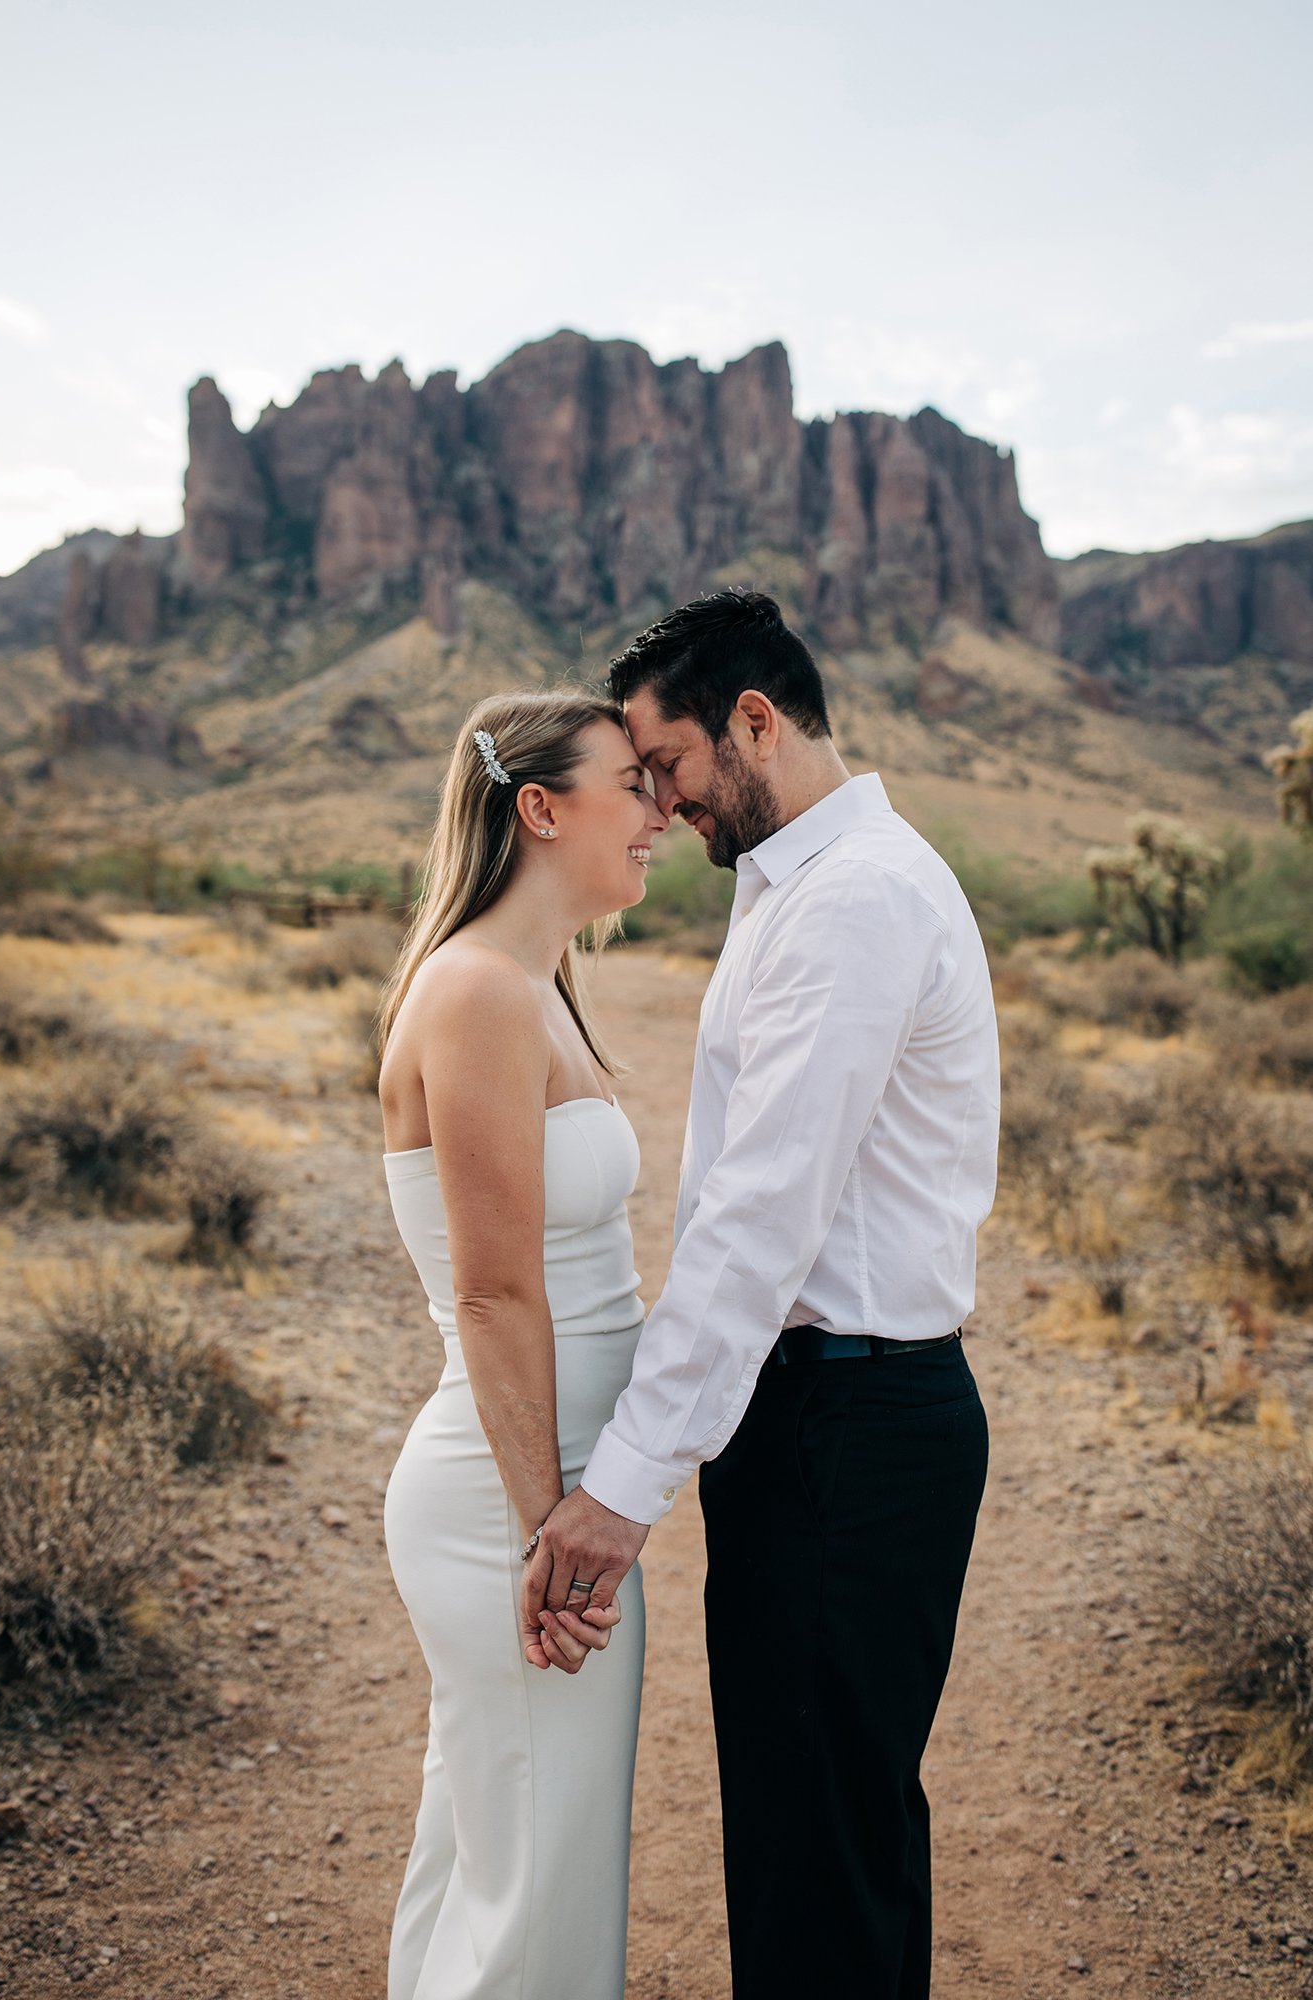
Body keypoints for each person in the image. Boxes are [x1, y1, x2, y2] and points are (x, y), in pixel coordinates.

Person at [522, 591, 999, 2000]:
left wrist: (619, 1494)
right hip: (824, 1417)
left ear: (753, 721)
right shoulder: (801, 882)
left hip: (850, 1425)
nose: (658, 807)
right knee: (814, 1835)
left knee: (822, 1847)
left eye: (663, 766)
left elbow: (754, 1224)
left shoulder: (853, 901)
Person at [376, 687, 668, 2000]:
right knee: (534, 1884)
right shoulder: (480, 993)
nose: (660, 810)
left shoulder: (538, 986)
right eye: (632, 783)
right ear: (541, 809)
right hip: (520, 1499)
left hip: (556, 1495)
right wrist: (557, 1524)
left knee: (501, 1853)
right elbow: (497, 1296)